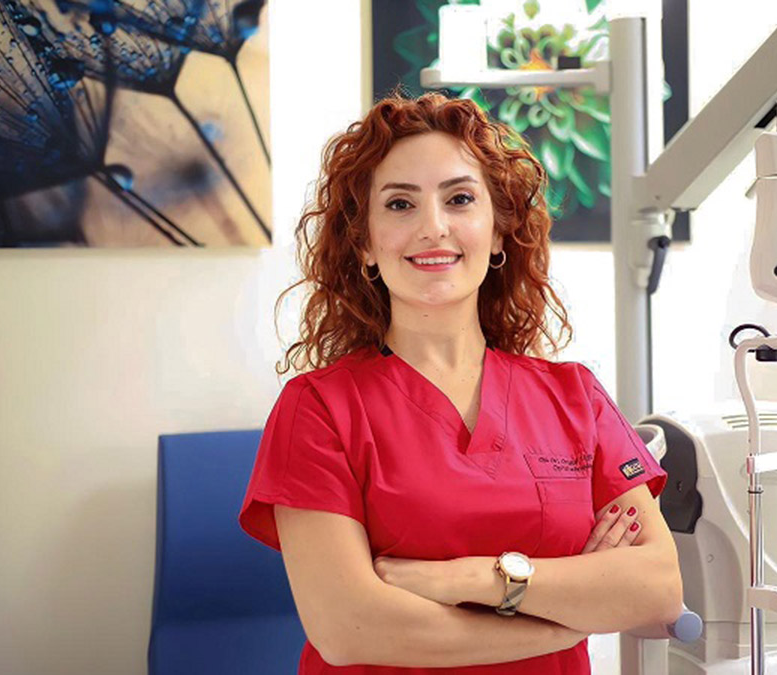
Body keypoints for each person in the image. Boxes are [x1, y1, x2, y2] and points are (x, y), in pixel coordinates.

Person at [238, 92, 682, 674]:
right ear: (365, 243)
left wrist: (476, 579)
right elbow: (349, 629)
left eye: (460, 199)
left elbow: (658, 589)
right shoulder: (319, 408)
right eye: (400, 204)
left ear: (497, 233)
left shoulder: (575, 396)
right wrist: (569, 616)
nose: (433, 227)